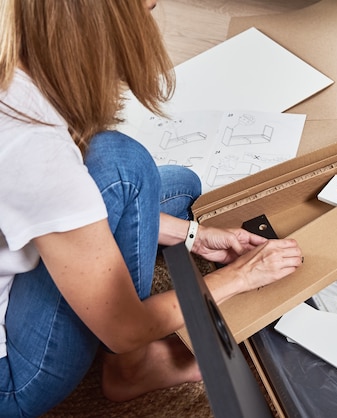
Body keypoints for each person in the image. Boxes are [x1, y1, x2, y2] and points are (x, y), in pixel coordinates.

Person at [0, 1, 303, 416]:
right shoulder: (31, 144)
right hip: (10, 382)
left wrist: (194, 236)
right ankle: (131, 371)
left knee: (177, 187)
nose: (151, 6)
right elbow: (125, 328)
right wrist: (243, 276)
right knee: (124, 165)